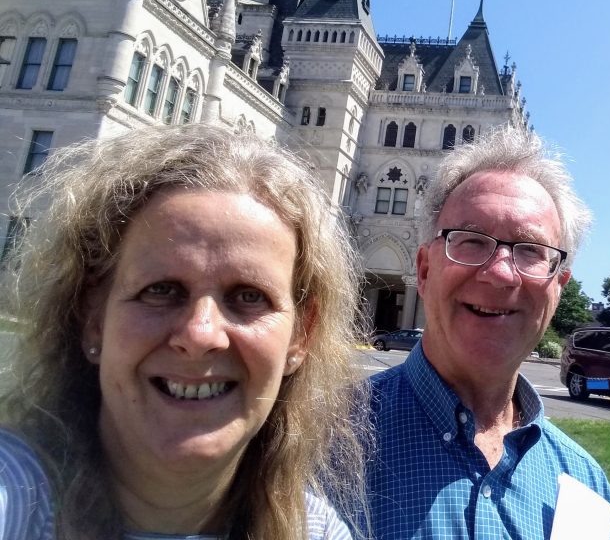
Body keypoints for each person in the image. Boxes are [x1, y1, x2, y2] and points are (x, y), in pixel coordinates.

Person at [0, 124, 367, 539]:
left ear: (302, 336)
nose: (200, 334)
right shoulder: (14, 495)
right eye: (161, 290)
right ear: (92, 317)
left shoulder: (315, 530)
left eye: (248, 297)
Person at [350, 125, 610, 539]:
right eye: (470, 241)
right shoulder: (321, 447)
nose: (500, 273)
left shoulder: (588, 493)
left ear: (558, 288)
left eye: (531, 250)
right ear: (425, 270)